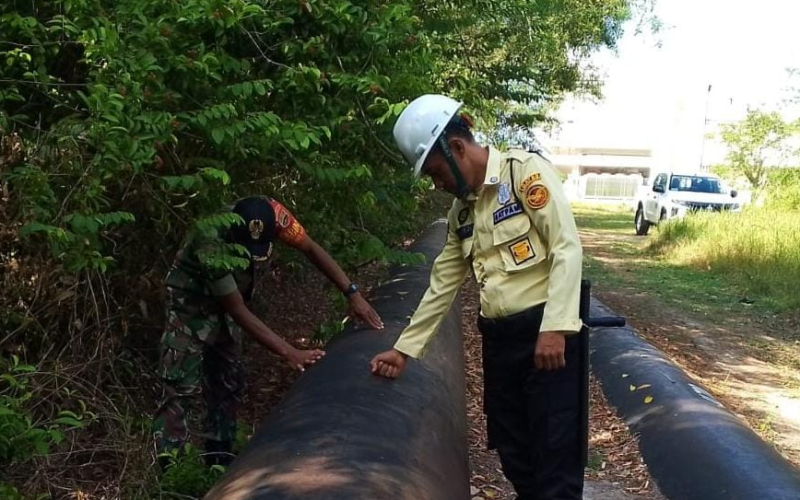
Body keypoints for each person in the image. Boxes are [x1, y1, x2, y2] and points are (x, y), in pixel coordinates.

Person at [370, 95, 584, 499]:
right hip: (500, 343)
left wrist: (556, 328)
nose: (438, 184)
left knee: (554, 453)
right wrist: (404, 350)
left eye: (435, 172)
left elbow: (566, 248)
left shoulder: (524, 176)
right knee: (512, 448)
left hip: (546, 339)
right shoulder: (462, 214)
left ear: (456, 149)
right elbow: (443, 283)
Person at [154, 196, 384, 465]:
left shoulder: (274, 214)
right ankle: (170, 471)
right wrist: (290, 352)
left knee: (229, 378)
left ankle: (219, 457)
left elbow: (310, 247)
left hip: (228, 302)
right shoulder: (209, 239)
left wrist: (351, 292)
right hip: (189, 308)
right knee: (181, 388)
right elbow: (236, 309)